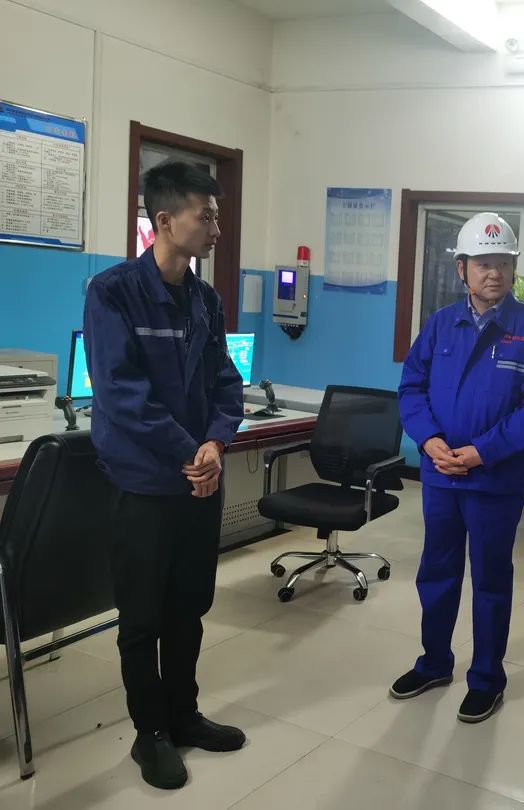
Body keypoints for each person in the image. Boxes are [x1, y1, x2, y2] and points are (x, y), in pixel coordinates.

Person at [84, 161, 245, 790]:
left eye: (216, 217)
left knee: (189, 607)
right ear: (165, 221)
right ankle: (149, 732)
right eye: (207, 216)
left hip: (198, 482)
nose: (216, 229)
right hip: (145, 485)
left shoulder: (206, 299)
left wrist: (216, 442)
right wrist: (191, 451)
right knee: (143, 616)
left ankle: (183, 716)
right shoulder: (112, 292)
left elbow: (226, 382)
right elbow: (121, 394)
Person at [392, 212, 524, 723]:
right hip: (441, 475)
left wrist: (483, 451)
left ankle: (486, 679)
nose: (495, 273)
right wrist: (429, 440)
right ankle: (434, 663)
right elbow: (411, 388)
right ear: (462, 268)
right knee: (437, 572)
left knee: (490, 580)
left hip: (494, 479)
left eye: (503, 263)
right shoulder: (441, 323)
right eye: (484, 264)